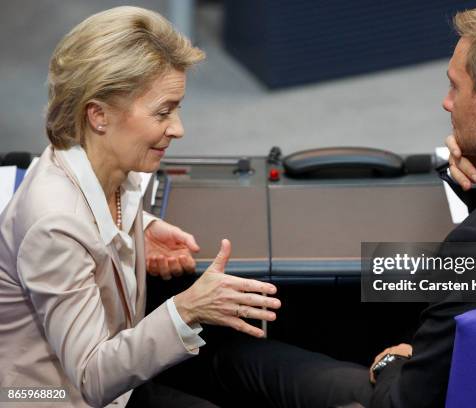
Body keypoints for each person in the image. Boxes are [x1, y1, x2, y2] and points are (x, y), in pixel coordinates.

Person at [196, 3, 476, 407]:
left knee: (237, 358)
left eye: (455, 85)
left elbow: (403, 401)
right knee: (385, 275)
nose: (447, 103)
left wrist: (396, 360)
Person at [0, 7, 280, 408]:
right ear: (98, 115)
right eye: (163, 111)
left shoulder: (110, 160)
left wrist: (139, 225)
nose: (179, 128)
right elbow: (92, 379)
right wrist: (186, 309)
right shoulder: (54, 225)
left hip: (121, 369)